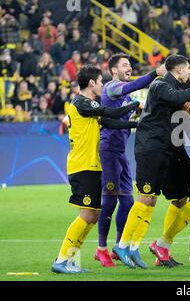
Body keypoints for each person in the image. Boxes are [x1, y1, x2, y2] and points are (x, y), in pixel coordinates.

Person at [112, 55, 190, 269]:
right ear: (178, 71)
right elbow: (179, 95)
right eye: (187, 69)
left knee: (152, 199)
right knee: (146, 196)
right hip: (151, 146)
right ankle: (123, 244)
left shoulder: (178, 85)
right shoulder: (160, 85)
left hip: (166, 148)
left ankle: (134, 248)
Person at [51, 65, 140, 274]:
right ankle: (63, 259)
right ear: (92, 83)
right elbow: (112, 111)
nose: (102, 85)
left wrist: (136, 124)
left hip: (90, 165)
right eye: (100, 81)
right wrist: (134, 104)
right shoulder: (82, 102)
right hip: (83, 166)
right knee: (87, 214)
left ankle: (68, 258)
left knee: (92, 215)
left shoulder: (89, 107)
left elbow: (110, 121)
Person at [94, 53, 166, 268]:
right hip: (108, 151)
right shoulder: (112, 87)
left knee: (127, 201)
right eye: (125, 65)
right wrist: (155, 73)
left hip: (120, 153)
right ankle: (101, 249)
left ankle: (119, 246)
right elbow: (132, 87)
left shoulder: (124, 96)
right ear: (114, 70)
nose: (129, 67)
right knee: (109, 200)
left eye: (130, 65)